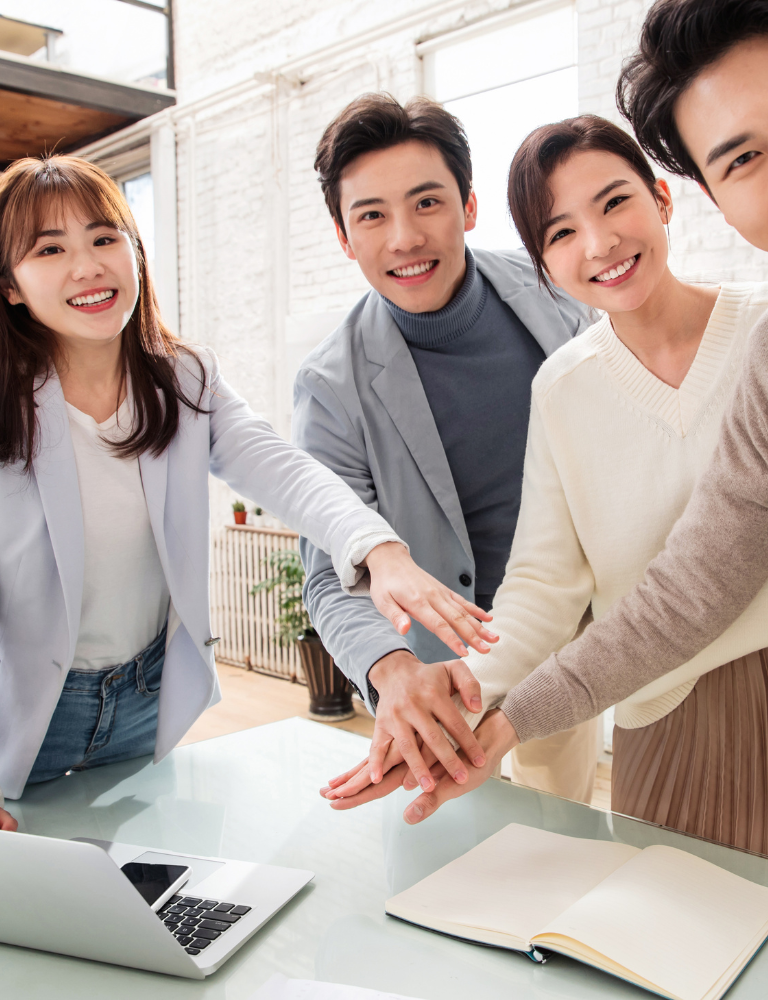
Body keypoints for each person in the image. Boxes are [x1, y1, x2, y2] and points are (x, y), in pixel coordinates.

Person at [326, 0, 768, 845]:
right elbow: (542, 587)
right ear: (543, 262)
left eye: (615, 203)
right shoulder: (564, 388)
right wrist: (459, 695)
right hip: (662, 711)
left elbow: (717, 563)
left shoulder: (759, 330)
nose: (599, 244)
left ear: (666, 198)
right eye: (561, 231)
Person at [0, 155, 496, 831]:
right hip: (21, 705)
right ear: (10, 287)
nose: (87, 267)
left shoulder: (184, 378)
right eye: (50, 249)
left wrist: (381, 551)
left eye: (104, 238)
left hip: (145, 699)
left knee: (127, 881)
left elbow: (281, 468)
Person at [293, 93, 597, 806]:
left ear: (468, 205)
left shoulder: (556, 296)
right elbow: (329, 573)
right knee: (450, 862)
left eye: (426, 203)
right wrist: (393, 669)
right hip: (441, 675)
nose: (404, 237)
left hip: (571, 640)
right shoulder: (330, 385)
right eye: (371, 215)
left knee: (562, 836)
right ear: (343, 237)